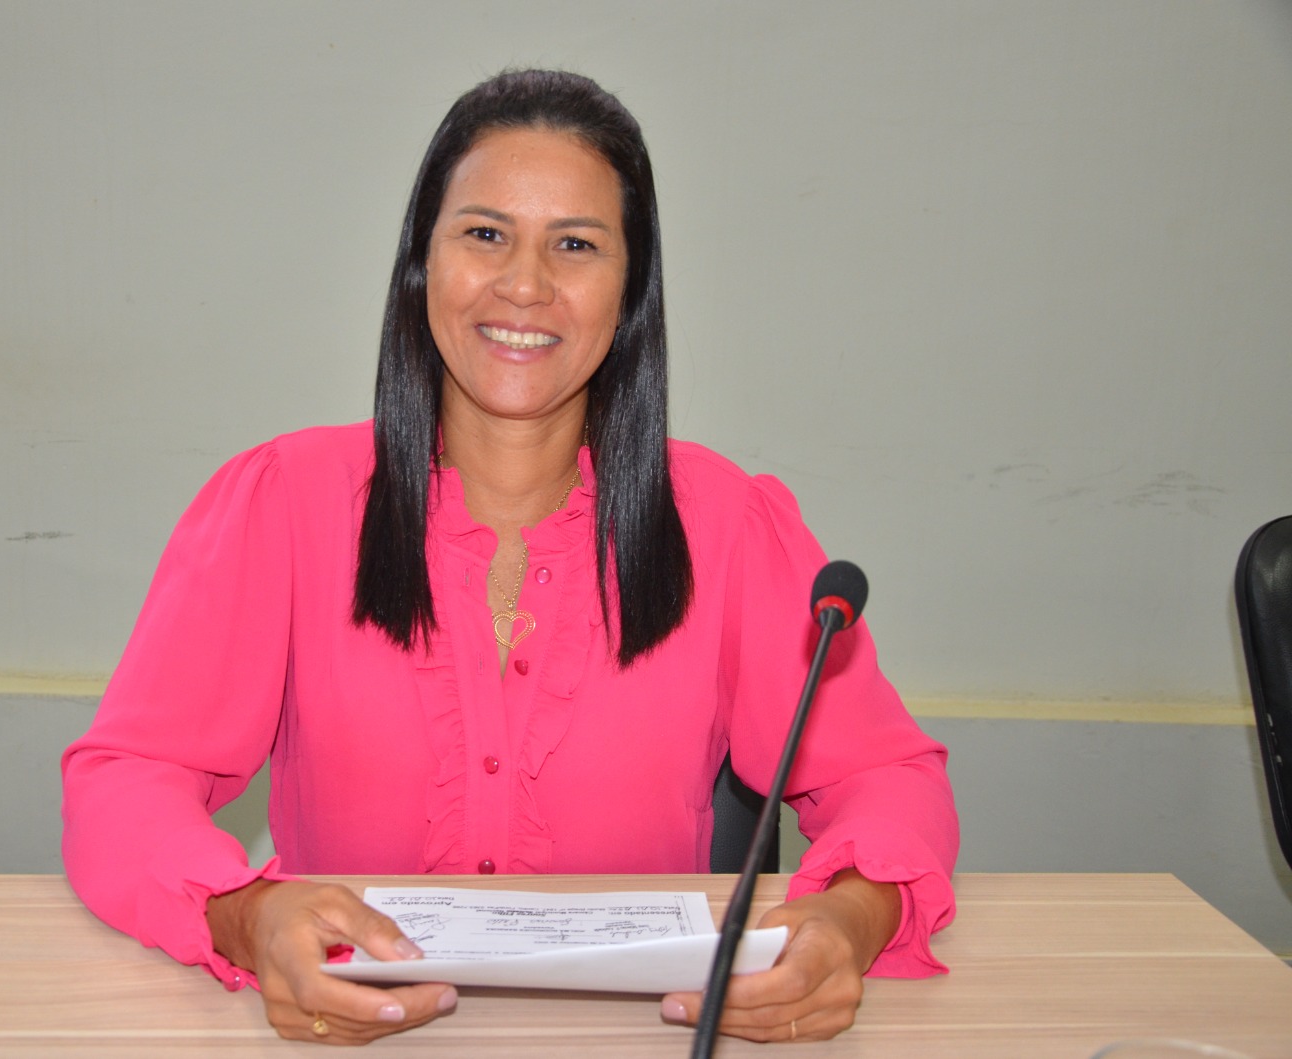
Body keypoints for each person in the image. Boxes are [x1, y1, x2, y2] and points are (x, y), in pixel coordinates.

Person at [61, 68, 959, 1046]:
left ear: (631, 287)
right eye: (485, 234)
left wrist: (848, 920)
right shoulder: (283, 502)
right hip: (353, 1031)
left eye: (575, 244)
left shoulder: (729, 526)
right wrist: (245, 915)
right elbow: (127, 779)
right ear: (423, 263)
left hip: (645, 1034)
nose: (524, 285)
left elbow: (889, 781)